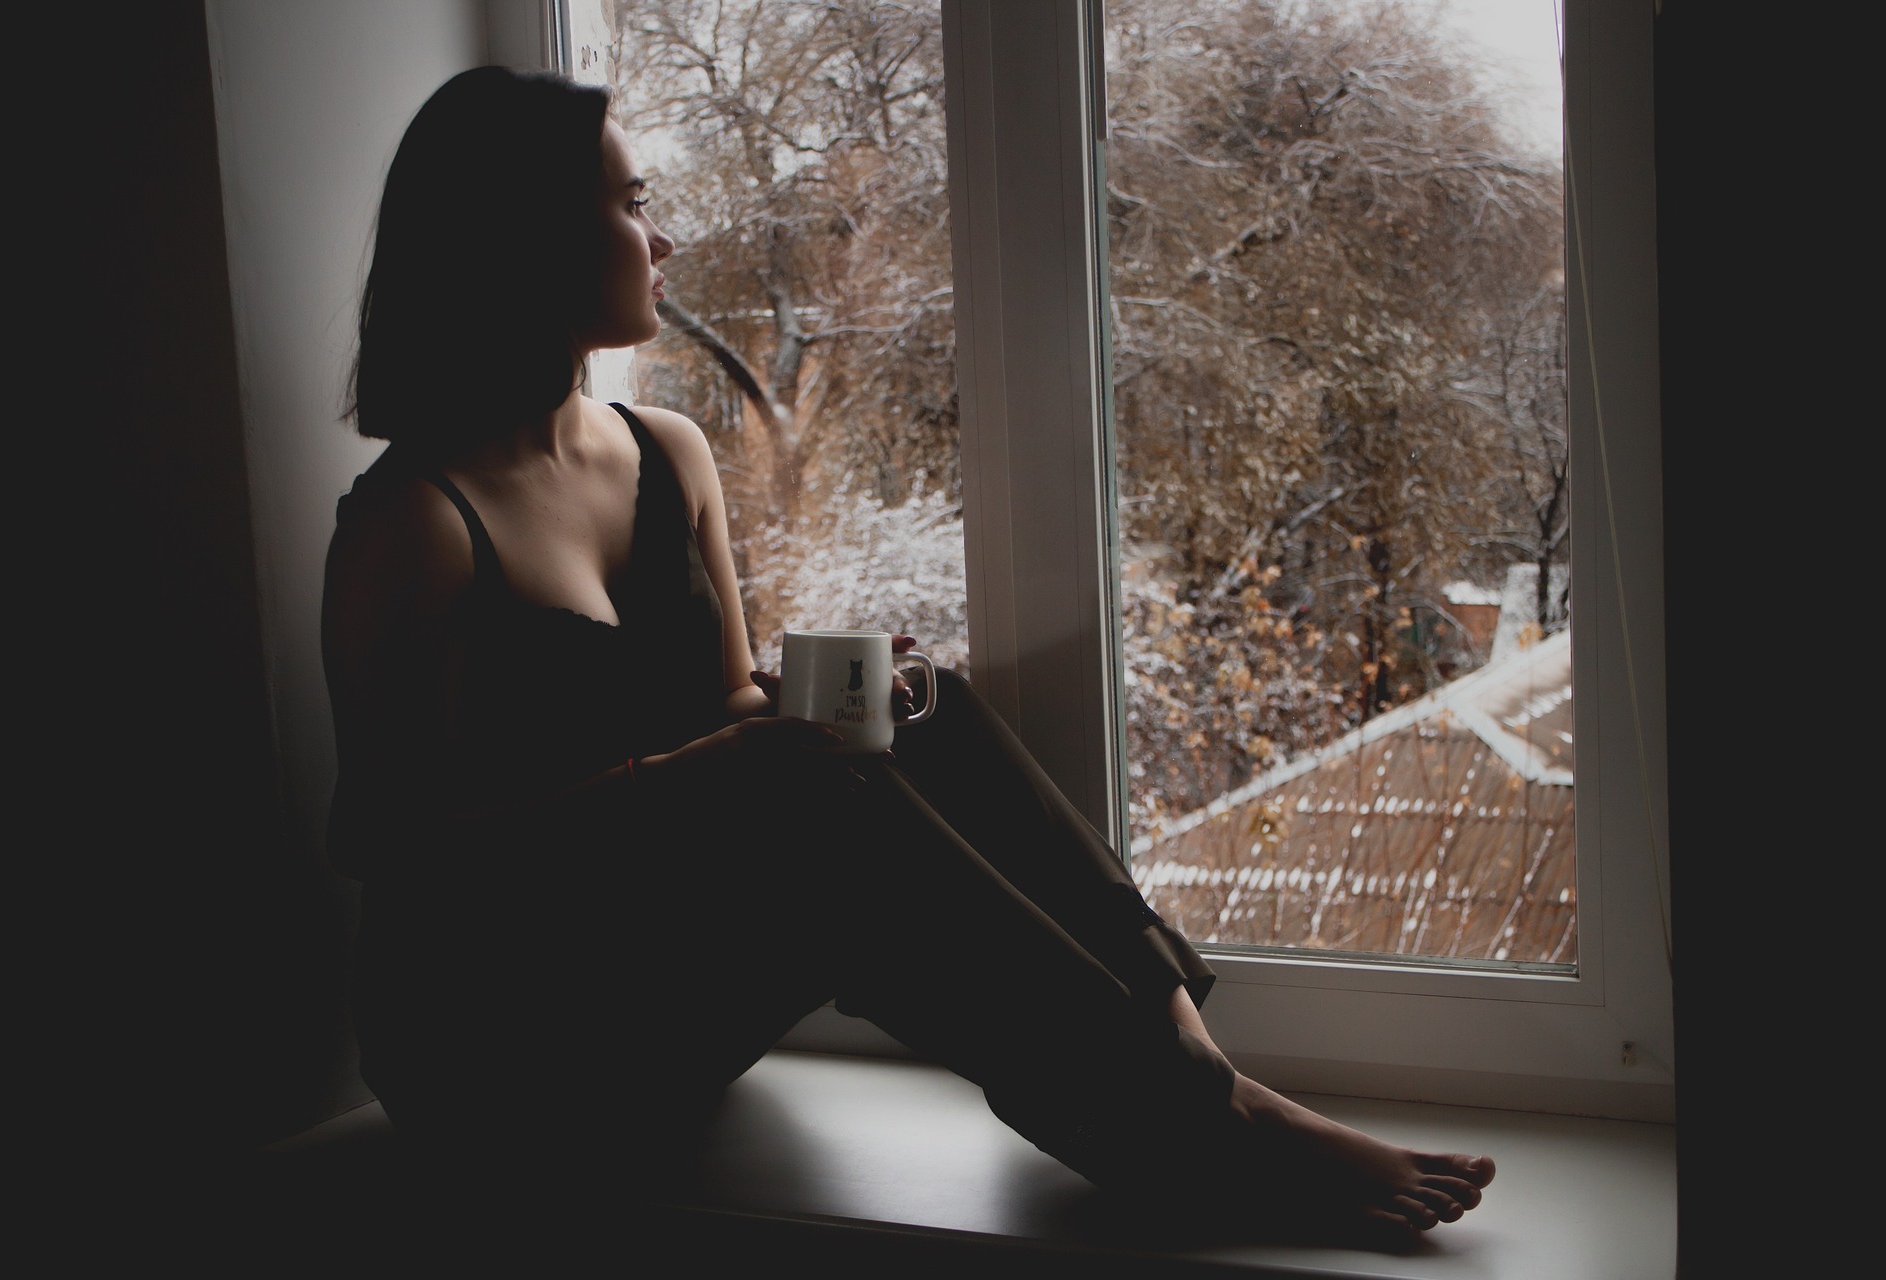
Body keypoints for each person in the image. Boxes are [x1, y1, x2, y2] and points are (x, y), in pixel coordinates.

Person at [320, 64, 1495, 1240]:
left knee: (921, 703)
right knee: (821, 795)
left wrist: (791, 706)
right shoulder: (414, 524)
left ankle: (1193, 1061)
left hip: (670, 987)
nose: (663, 232)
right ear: (524, 239)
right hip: (503, 1055)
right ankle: (1206, 1124)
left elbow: (724, 699)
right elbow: (401, 848)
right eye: (631, 203)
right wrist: (698, 777)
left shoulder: (666, 451)